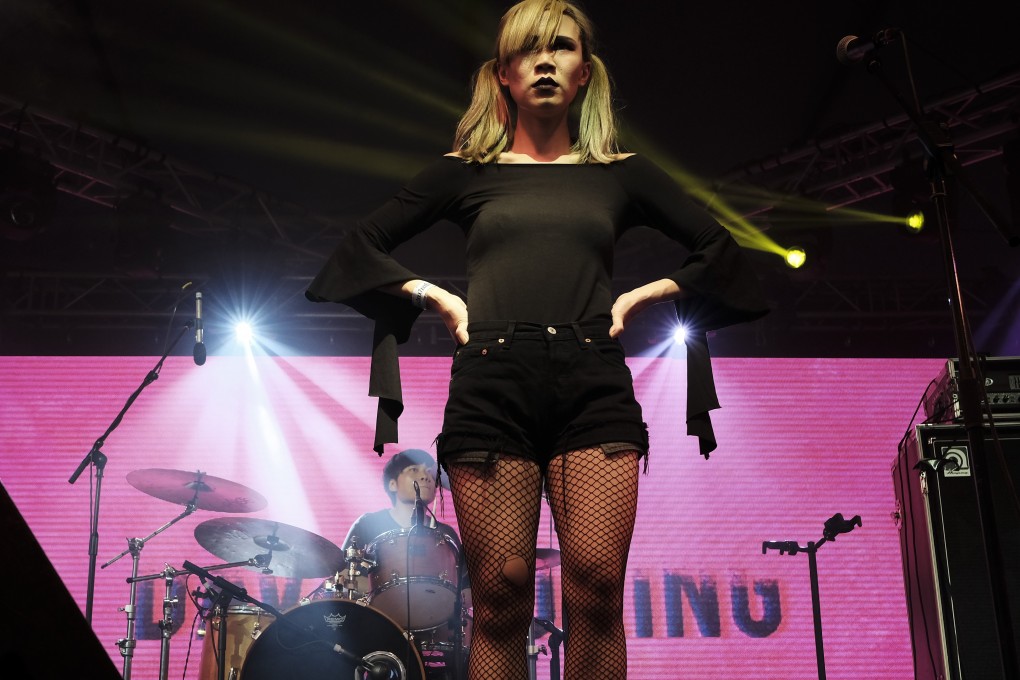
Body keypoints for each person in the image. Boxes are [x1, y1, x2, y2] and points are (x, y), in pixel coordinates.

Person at [306, 1, 769, 678]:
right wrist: (434, 296)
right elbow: (359, 249)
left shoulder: (621, 173)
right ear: (503, 75)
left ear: (586, 73)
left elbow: (720, 253)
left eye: (562, 48)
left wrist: (644, 295)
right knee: (498, 600)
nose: (545, 61)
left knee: (598, 590)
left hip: (593, 384)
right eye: (528, 50)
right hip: (493, 384)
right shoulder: (465, 171)